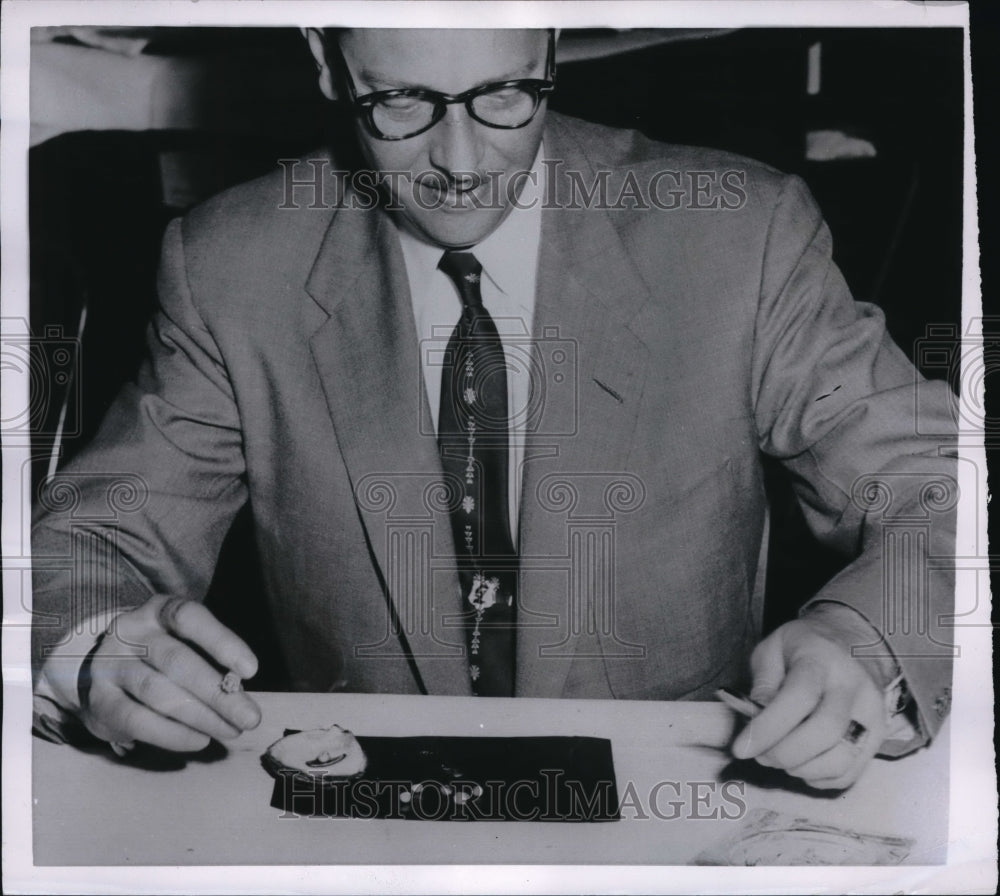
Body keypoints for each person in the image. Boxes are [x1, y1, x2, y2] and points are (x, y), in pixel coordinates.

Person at [31, 27, 957, 790]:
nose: (461, 163)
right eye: (398, 102)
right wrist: (100, 642)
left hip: (675, 805)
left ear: (555, 51)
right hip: (359, 808)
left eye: (506, 95)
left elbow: (932, 484)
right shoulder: (229, 263)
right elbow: (96, 537)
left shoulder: (740, 234)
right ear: (325, 61)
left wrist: (864, 639)